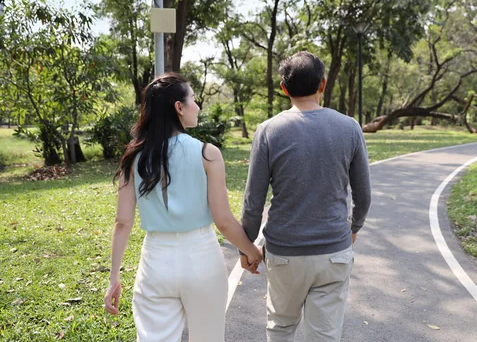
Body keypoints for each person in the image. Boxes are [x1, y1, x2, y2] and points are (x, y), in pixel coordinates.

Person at [103, 73, 262, 342]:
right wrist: (252, 251)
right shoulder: (207, 153)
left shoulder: (135, 157)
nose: (197, 107)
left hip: (155, 262)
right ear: (179, 107)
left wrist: (114, 278)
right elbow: (223, 220)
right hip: (202, 259)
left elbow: (122, 223)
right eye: (193, 100)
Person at [240, 51, 372, 341]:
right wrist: (353, 229)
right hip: (333, 252)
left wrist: (247, 248)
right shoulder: (349, 127)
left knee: (281, 327)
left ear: (284, 89)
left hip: (285, 253)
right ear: (322, 85)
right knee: (323, 335)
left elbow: (253, 202)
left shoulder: (268, 131)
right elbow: (363, 195)